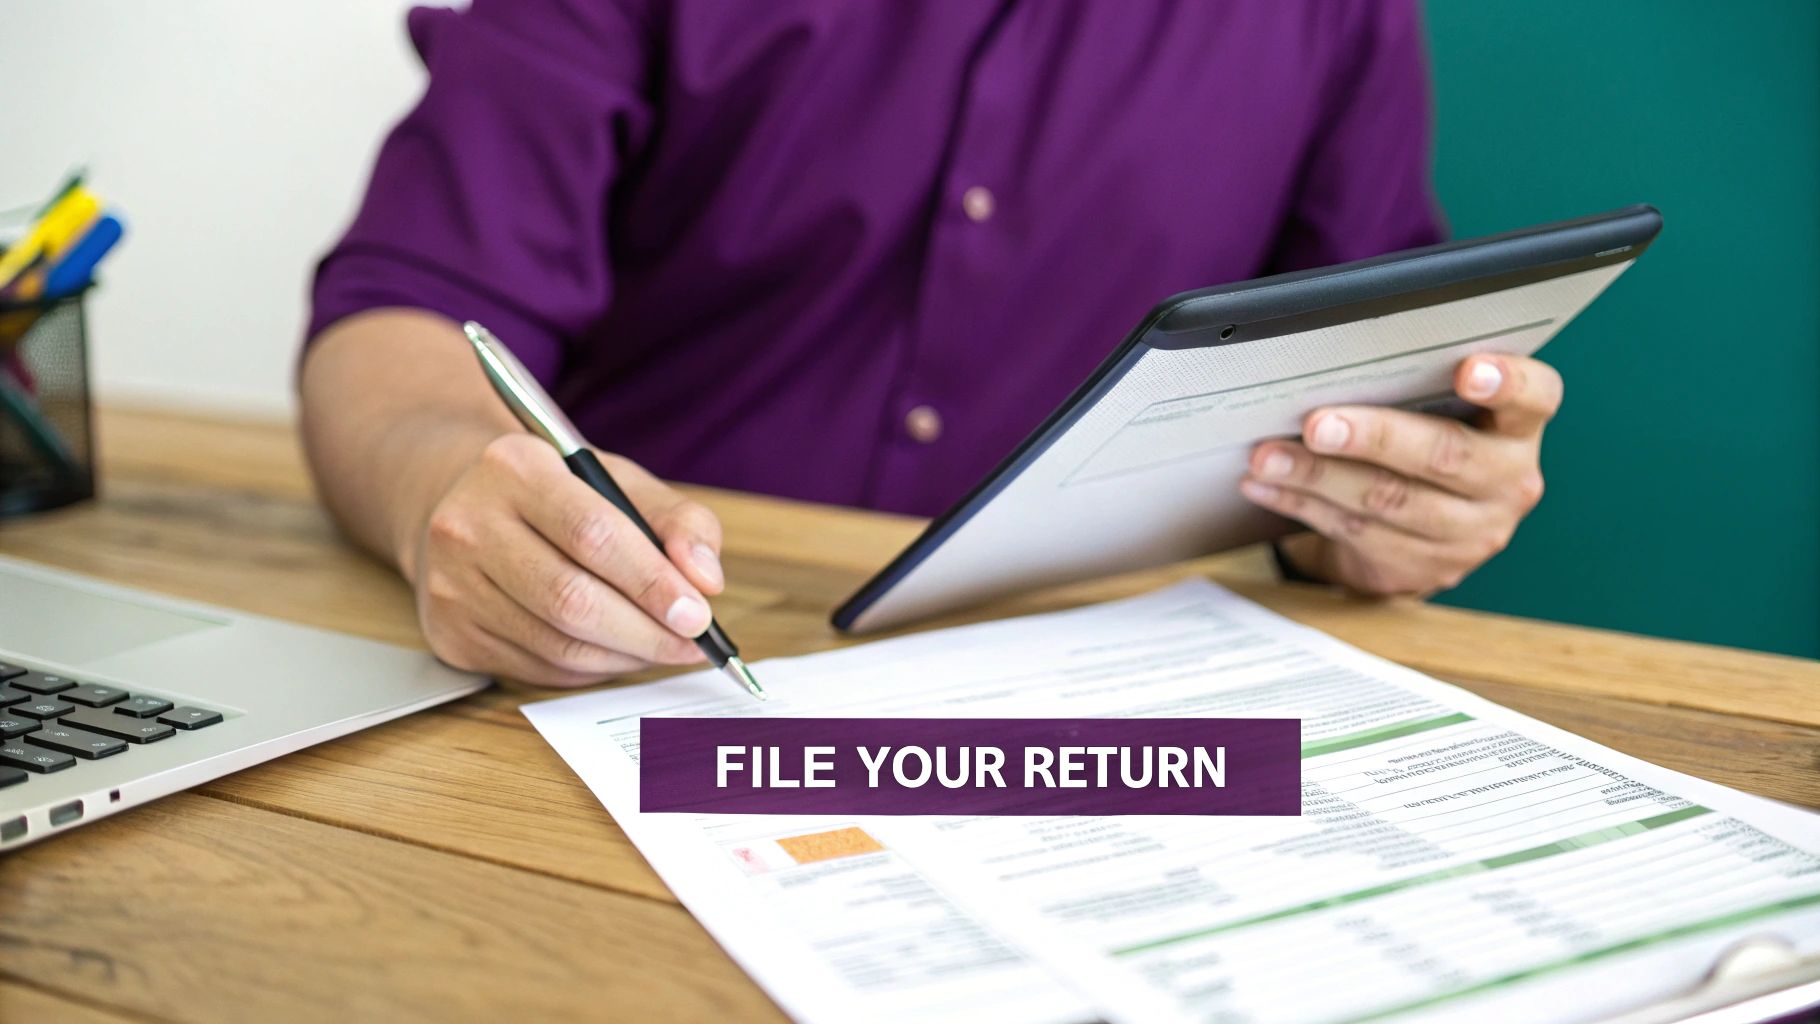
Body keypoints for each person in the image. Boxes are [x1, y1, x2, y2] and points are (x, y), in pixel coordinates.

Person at [300, 1, 1561, 687]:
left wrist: (1399, 499)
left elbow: (1365, 380)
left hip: (1114, 694)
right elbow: (401, 315)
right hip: (642, 659)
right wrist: (438, 502)